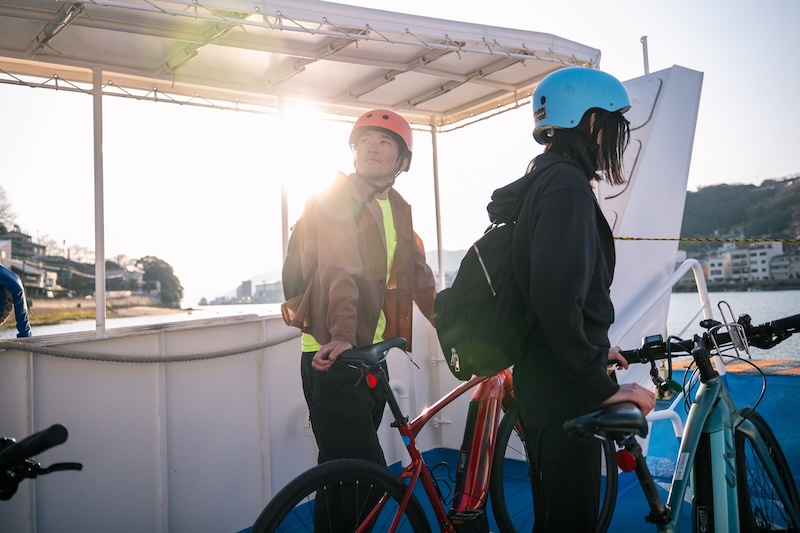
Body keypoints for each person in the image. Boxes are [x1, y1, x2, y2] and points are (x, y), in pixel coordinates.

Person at [488, 67, 656, 532]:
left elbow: (554, 294)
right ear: (591, 123)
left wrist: (596, 348)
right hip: (564, 385)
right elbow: (556, 296)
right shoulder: (565, 187)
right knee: (571, 520)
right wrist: (602, 386)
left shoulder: (545, 177)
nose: (618, 137)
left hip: (545, 373)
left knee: (556, 514)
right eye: (615, 125)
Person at [281, 109, 437, 470]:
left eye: (384, 142)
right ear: (353, 151)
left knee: (341, 473)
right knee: (363, 473)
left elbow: (419, 278)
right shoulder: (334, 196)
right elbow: (340, 267)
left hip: (370, 354)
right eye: (364, 141)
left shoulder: (398, 209)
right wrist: (343, 336)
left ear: (402, 161)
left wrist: (461, 333)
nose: (372, 147)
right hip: (332, 352)